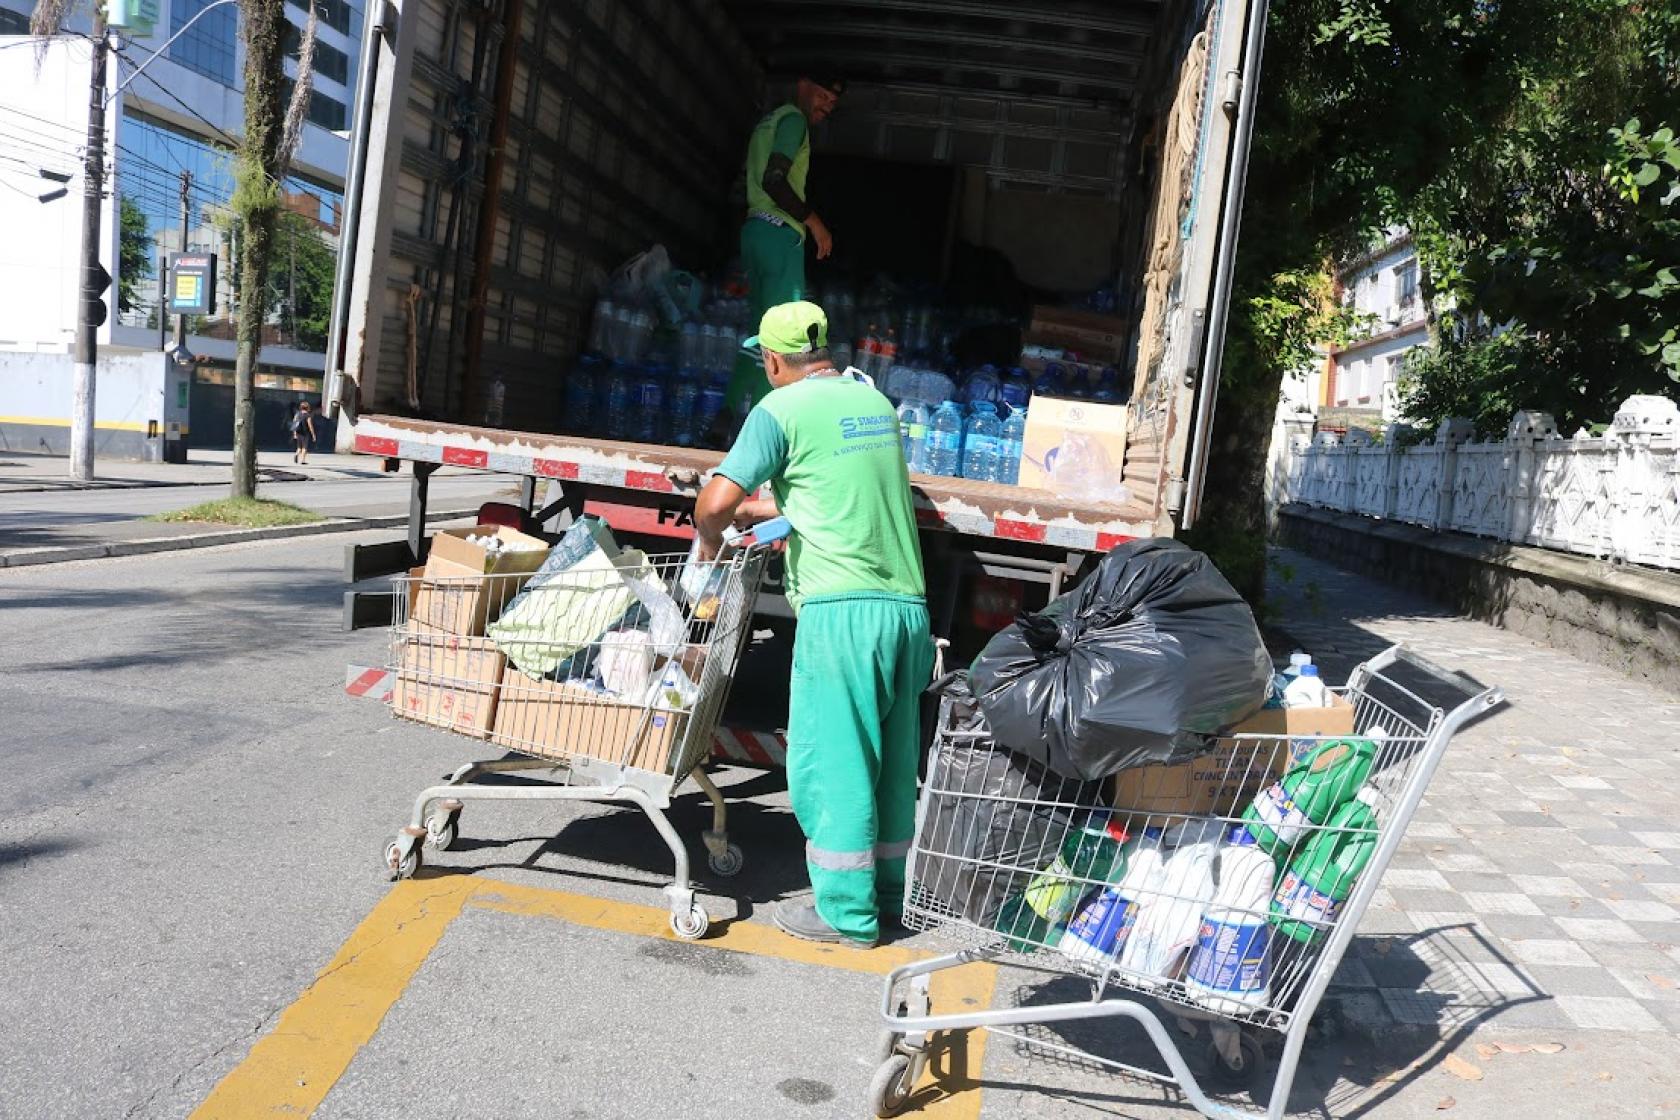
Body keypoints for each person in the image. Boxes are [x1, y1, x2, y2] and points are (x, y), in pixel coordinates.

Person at [695, 301, 931, 949]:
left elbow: (713, 502)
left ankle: (845, 916)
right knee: (889, 766)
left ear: (772, 360)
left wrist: (710, 539)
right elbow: (835, 485)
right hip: (906, 611)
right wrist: (777, 511)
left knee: (836, 764)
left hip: (842, 615)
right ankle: (885, 898)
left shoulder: (781, 410)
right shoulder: (874, 405)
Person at [725, 74, 844, 418]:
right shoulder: (793, 122)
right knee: (786, 339)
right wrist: (816, 224)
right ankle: (770, 425)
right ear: (804, 85)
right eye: (822, 95)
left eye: (832, 103)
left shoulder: (768, 122)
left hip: (755, 230)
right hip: (779, 235)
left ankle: (729, 410)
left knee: (760, 330)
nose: (826, 107)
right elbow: (775, 180)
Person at [290, 399, 316, 464]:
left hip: (298, 432)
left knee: (299, 447)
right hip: (305, 433)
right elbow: (310, 425)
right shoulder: (307, 415)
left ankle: (296, 454)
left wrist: (294, 433)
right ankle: (303, 460)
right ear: (307, 408)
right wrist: (313, 434)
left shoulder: (297, 414)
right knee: (304, 447)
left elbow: (294, 424)